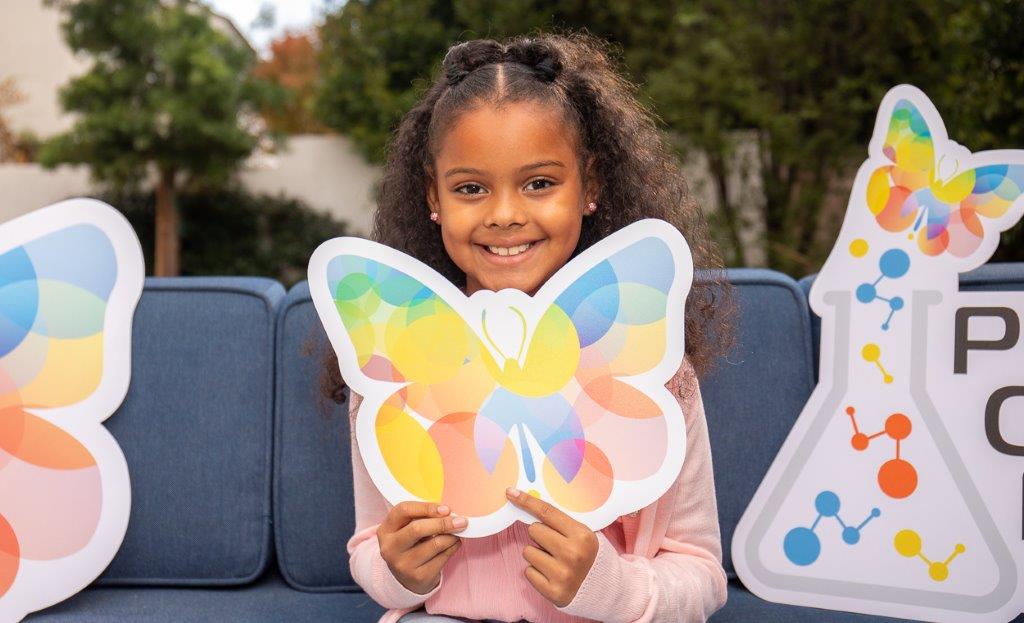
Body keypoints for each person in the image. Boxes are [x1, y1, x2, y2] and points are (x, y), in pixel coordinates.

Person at [322, 31, 734, 623]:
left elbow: (699, 572)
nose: (506, 214)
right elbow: (369, 550)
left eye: (539, 183)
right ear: (432, 196)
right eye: (470, 189)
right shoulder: (395, 363)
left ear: (589, 184)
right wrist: (397, 571)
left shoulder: (652, 367)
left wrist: (610, 587)